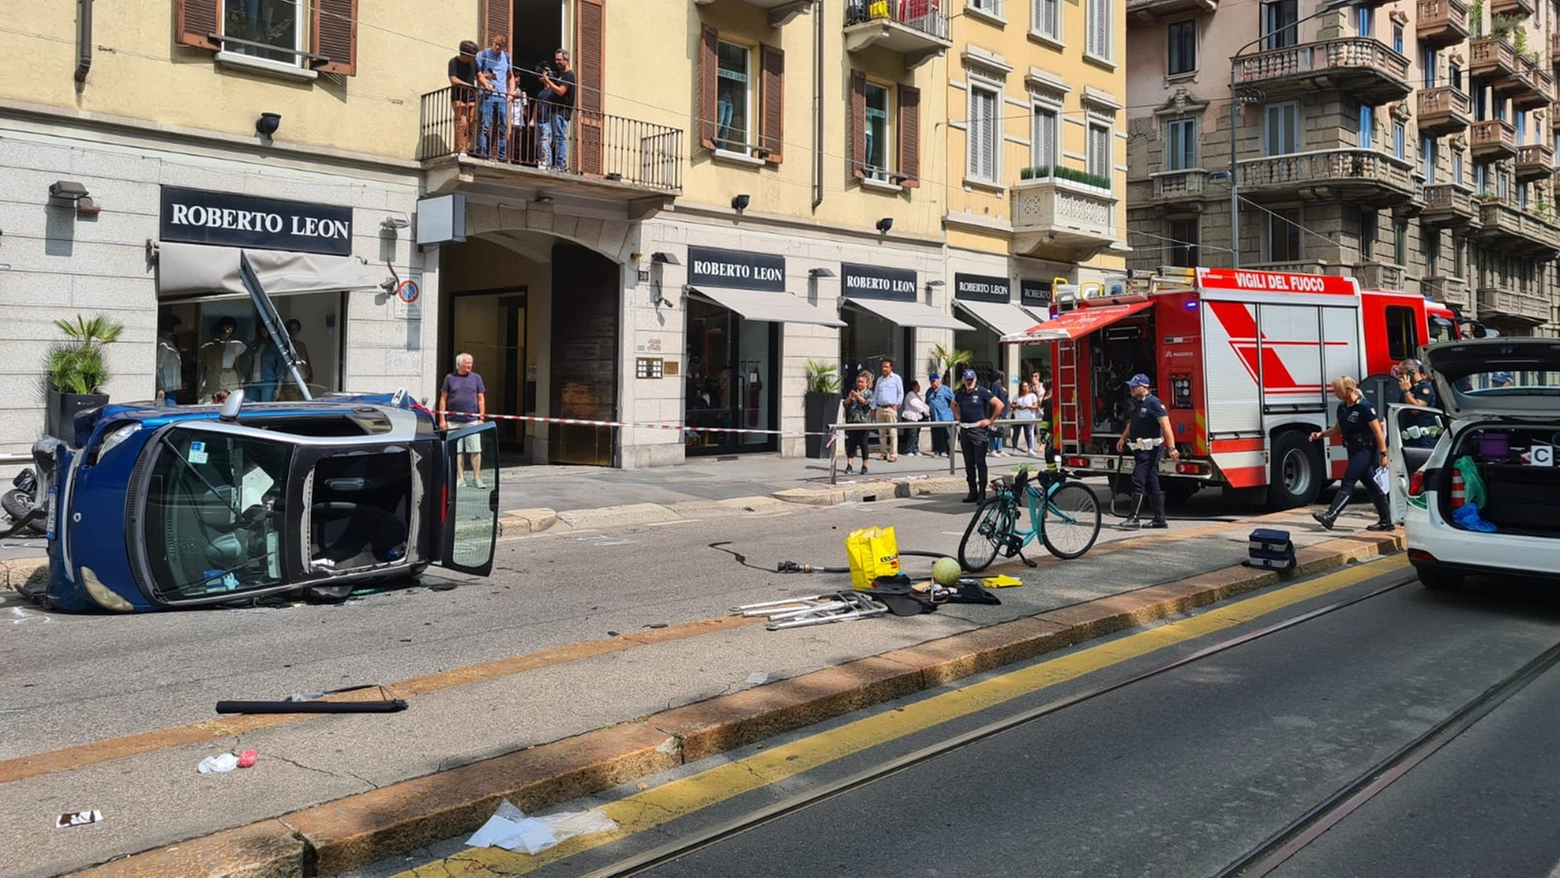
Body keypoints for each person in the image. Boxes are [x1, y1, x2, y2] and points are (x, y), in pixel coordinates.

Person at [1309, 375, 1394, 532]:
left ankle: (1331, 515)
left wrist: (1383, 454)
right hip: (1352, 449)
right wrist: (1320, 435)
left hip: (1366, 449)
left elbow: (1378, 432)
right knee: (1371, 484)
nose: (1335, 393)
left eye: (1338, 390)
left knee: (1348, 481)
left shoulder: (1364, 406)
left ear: (1348, 390)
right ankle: (1386, 521)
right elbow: (1337, 429)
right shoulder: (1343, 408)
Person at [1115, 373, 1180, 529]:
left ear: (1144, 387)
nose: (1131, 388)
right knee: (1152, 482)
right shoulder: (1138, 403)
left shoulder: (1154, 403)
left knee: (1138, 479)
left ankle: (1134, 518)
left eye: (1134, 386)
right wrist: (1123, 438)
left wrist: (1172, 447)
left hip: (1151, 450)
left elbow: (1166, 426)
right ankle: (1160, 519)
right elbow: (1133, 423)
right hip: (1140, 449)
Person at [438, 353, 489, 488]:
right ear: (459, 364)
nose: (469, 365)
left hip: (472, 420)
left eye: (471, 363)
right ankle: (460, 478)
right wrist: (442, 419)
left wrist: (481, 417)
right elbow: (443, 399)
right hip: (454, 421)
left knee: (475, 449)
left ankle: (476, 478)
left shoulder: (476, 378)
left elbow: (481, 399)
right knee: (457, 450)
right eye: (466, 363)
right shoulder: (449, 378)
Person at [954, 368, 1004, 503]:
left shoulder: (982, 392)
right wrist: (958, 416)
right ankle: (972, 492)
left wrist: (990, 420)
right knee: (968, 463)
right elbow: (953, 404)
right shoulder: (960, 393)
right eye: (967, 379)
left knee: (980, 462)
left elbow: (999, 404)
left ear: (975, 379)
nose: (969, 382)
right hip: (965, 430)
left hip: (978, 431)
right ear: (963, 380)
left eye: (972, 379)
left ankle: (982, 492)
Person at [475, 34, 515, 160]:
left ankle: (502, 156)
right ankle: (482, 154)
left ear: (504, 47)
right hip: (487, 95)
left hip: (502, 96)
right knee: (485, 126)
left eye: (500, 46)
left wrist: (511, 93)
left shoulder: (507, 58)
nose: (497, 47)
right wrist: (487, 80)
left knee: (502, 127)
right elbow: (477, 74)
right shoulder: (483, 55)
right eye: (495, 44)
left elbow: (510, 76)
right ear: (492, 42)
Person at [536, 48, 576, 171]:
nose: (556, 62)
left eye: (559, 59)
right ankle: (553, 163)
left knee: (560, 137)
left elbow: (560, 91)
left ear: (566, 60)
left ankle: (560, 164)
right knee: (555, 138)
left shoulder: (569, 75)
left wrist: (548, 81)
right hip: (555, 111)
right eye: (556, 59)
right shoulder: (561, 75)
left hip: (562, 112)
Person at [197, 317, 246, 403]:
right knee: (211, 399)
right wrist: (200, 385)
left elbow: (237, 365)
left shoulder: (237, 345)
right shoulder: (209, 347)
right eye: (227, 327)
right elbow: (203, 366)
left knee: (231, 399)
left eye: (232, 328)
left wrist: (241, 382)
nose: (229, 330)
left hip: (230, 374)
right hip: (214, 374)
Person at [1397, 358, 1440, 449]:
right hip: (1409, 438)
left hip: (1423, 439)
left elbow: (1416, 410)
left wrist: (1406, 392)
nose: (1399, 376)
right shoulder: (1410, 388)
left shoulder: (1424, 387)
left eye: (1401, 373)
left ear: (1411, 372)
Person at [448, 40, 481, 156]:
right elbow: (453, 80)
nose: (474, 58)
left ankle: (465, 148)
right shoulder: (453, 62)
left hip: (471, 98)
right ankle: (459, 149)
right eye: (472, 55)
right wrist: (470, 86)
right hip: (458, 97)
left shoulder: (474, 62)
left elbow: (479, 75)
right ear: (465, 54)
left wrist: (487, 84)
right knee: (462, 123)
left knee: (471, 124)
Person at [239, 323, 286, 402]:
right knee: (250, 406)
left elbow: (280, 367)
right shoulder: (255, 344)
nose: (263, 331)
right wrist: (244, 378)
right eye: (262, 329)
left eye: (266, 329)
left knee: (267, 407)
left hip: (268, 381)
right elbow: (246, 360)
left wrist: (279, 388)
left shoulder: (277, 346)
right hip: (253, 381)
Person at [871, 358, 903, 462]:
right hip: (880, 408)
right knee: (882, 433)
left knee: (893, 433)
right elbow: (876, 394)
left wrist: (897, 404)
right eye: (883, 367)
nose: (884, 369)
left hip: (890, 408)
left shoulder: (896, 378)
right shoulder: (879, 380)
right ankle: (883, 453)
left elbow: (900, 393)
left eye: (886, 367)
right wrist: (873, 408)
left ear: (891, 368)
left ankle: (893, 454)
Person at [842, 372, 873, 476]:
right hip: (852, 421)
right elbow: (845, 404)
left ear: (866, 383)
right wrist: (850, 398)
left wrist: (858, 397)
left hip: (864, 422)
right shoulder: (853, 392)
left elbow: (867, 404)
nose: (859, 384)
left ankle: (865, 466)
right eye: (858, 382)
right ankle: (849, 465)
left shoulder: (869, 393)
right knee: (851, 444)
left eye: (862, 382)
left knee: (864, 444)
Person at [276, 318, 313, 401]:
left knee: (306, 402)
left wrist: (310, 375)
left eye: (295, 329)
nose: (293, 331)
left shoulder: (301, 345)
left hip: (303, 378)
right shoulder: (282, 346)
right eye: (291, 329)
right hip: (289, 380)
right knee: (295, 402)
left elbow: (307, 360)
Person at [155, 314, 184, 406]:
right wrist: (160, 387)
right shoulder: (164, 345)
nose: (177, 330)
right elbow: (158, 366)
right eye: (176, 327)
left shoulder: (169, 343)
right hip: (166, 386)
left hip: (171, 385)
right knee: (170, 409)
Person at [925, 373, 955, 457]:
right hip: (935, 418)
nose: (932, 383)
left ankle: (950, 452)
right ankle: (937, 451)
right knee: (936, 435)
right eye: (931, 381)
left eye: (934, 381)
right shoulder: (929, 391)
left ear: (938, 381)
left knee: (948, 435)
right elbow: (927, 402)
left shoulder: (946, 390)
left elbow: (953, 402)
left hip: (946, 417)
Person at [1011, 380, 1039, 455]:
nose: (1026, 388)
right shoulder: (1017, 396)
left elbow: (1036, 406)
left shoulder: (1032, 396)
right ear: (1021, 388)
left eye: (1027, 386)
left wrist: (1028, 406)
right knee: (1016, 433)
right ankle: (1014, 448)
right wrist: (1017, 406)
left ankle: (1030, 448)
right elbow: (1012, 405)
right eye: (1024, 386)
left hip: (1028, 417)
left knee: (1028, 433)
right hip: (1018, 417)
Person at [901, 380, 928, 457]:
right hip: (910, 417)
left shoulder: (917, 396)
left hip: (917, 417)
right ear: (913, 387)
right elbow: (915, 405)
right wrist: (923, 410)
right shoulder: (910, 395)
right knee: (912, 434)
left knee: (916, 434)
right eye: (917, 386)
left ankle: (915, 449)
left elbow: (922, 405)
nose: (919, 387)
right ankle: (909, 449)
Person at [987, 372, 1009, 456]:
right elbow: (994, 398)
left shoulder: (1000, 386)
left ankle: (999, 448)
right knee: (994, 431)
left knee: (1000, 431)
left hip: (1003, 412)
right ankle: (992, 449)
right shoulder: (995, 385)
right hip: (998, 412)